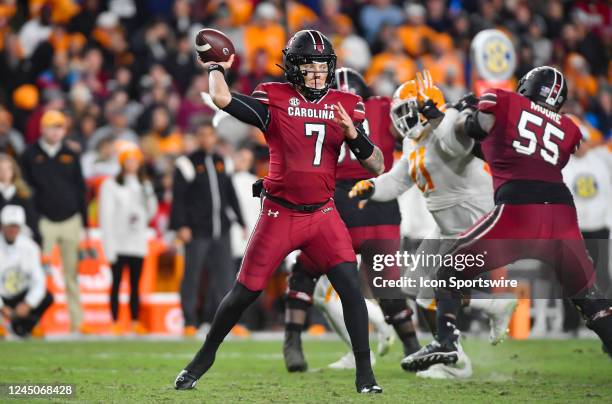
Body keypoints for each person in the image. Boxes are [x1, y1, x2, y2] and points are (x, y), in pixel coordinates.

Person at [175, 30, 384, 394]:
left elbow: (377, 165)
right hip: (280, 214)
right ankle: (203, 357)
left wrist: (355, 135)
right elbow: (221, 97)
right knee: (245, 292)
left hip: (322, 214)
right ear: (293, 67)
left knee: (351, 288)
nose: (317, 74)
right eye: (309, 66)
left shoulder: (346, 105)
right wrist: (216, 67)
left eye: (323, 67)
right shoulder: (276, 98)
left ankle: (365, 375)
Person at [403, 66, 612, 371]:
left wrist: (460, 111)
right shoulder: (570, 128)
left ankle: (446, 342)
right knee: (591, 302)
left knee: (448, 268)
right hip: (561, 214)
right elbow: (518, 153)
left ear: (526, 86)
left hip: (519, 210)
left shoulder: (503, 100)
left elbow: (477, 130)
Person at [350, 71, 516, 379]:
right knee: (415, 286)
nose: (403, 120)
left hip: (475, 221)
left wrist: (436, 116)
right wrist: (371, 188)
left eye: (407, 110)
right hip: (447, 228)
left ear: (426, 107)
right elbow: (397, 181)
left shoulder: (451, 124)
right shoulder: (414, 144)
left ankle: (460, 350)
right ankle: (462, 342)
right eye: (399, 113)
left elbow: (454, 146)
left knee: (441, 285)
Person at [282, 67, 420, 373]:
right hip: (380, 204)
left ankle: (292, 343)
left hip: (337, 205)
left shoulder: (316, 107)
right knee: (388, 286)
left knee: (304, 275)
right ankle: (413, 349)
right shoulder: (382, 106)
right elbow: (409, 128)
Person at [170, 122, 246, 336]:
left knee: (226, 277)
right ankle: (189, 322)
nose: (206, 139)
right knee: (192, 276)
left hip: (221, 228)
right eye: (202, 135)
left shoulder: (223, 161)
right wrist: (181, 225)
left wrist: (241, 221)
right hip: (197, 230)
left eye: (210, 135)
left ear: (214, 138)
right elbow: (179, 199)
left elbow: (230, 194)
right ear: (196, 137)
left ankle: (227, 323)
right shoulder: (186, 163)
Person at [20, 110, 89, 334]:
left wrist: (85, 222)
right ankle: (35, 322)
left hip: (70, 219)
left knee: (72, 274)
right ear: (42, 128)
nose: (56, 131)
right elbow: (26, 191)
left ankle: (77, 323)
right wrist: (33, 221)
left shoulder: (71, 153)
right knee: (36, 274)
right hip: (44, 222)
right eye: (52, 126)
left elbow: (81, 189)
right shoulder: (30, 154)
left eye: (60, 127)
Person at [99, 144, 158, 335]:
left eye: (135, 160)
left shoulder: (144, 185)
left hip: (137, 243)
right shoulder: (111, 184)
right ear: (122, 163)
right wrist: (109, 247)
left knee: (135, 284)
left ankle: (134, 321)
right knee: (116, 283)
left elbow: (151, 213)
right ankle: (115, 320)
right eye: (128, 160)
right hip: (118, 241)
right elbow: (105, 216)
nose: (132, 164)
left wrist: (149, 196)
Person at [0, 205, 53, 338]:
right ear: (2, 226)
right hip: (2, 297)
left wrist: (28, 303)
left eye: (16, 226)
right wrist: (1, 307)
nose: (12, 230)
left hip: (20, 297)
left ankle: (22, 328)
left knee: (47, 297)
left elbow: (39, 280)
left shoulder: (30, 247)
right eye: (9, 226)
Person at [0, 153, 41, 245]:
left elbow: (32, 219)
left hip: (22, 239)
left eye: (8, 168)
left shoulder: (23, 193)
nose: (5, 172)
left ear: (13, 170)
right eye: (1, 169)